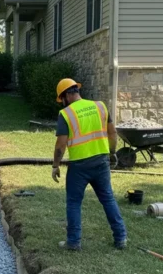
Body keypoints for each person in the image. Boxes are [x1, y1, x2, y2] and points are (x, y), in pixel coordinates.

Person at [51, 79, 127, 251]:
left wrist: (56, 165)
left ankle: (73, 242)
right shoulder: (100, 106)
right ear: (76, 90)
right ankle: (121, 238)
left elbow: (61, 145)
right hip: (101, 161)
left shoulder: (66, 114)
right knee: (108, 198)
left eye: (61, 99)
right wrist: (112, 152)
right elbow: (112, 132)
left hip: (79, 166)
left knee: (74, 202)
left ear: (66, 96)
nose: (62, 102)